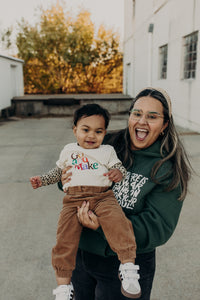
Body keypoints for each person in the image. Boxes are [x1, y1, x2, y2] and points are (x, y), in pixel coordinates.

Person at [60, 88, 192, 300]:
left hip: (128, 265)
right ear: (129, 116)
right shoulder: (107, 144)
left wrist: (103, 225)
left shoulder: (168, 169)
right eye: (137, 113)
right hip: (82, 255)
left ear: (165, 124)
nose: (142, 122)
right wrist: (65, 179)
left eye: (152, 116)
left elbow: (157, 228)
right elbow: (73, 169)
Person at [30, 103, 142, 300]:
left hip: (102, 197)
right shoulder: (68, 150)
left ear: (104, 132)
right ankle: (64, 287)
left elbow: (120, 168)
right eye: (85, 130)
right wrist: (42, 180)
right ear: (75, 130)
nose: (91, 136)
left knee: (118, 223)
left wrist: (117, 172)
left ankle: (128, 267)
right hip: (73, 200)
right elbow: (58, 172)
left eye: (98, 131)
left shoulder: (107, 151)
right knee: (64, 239)